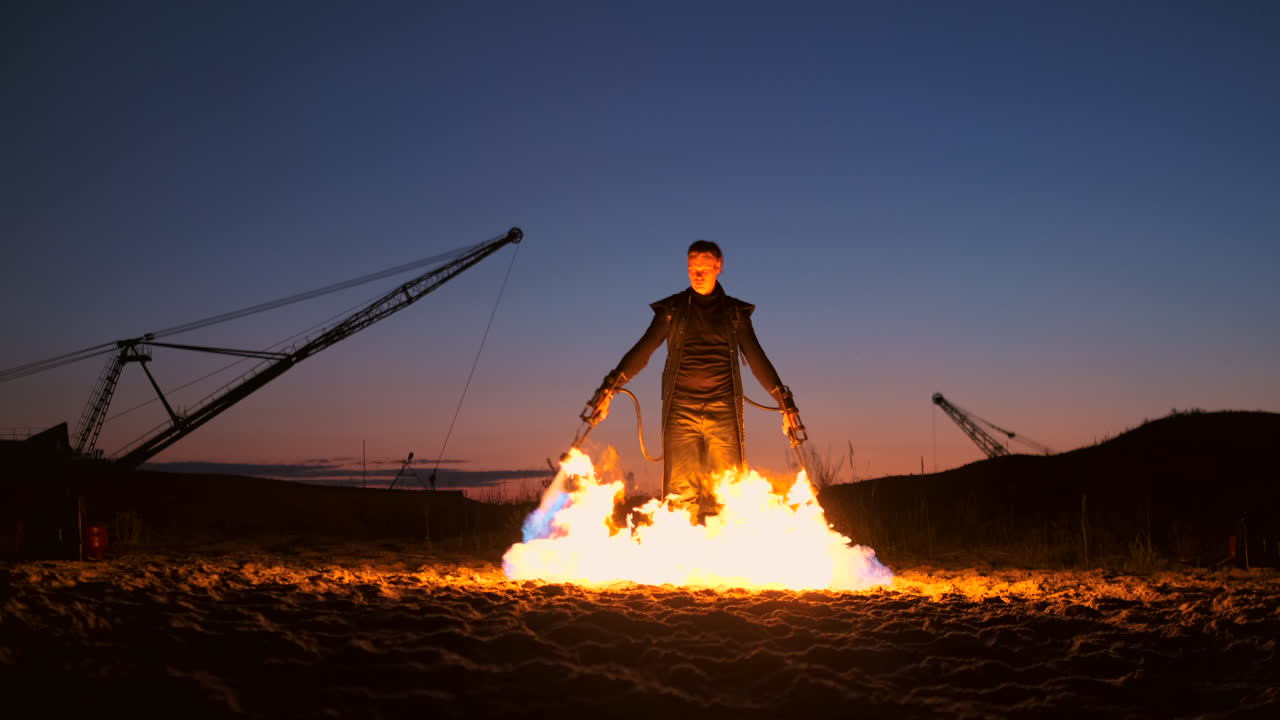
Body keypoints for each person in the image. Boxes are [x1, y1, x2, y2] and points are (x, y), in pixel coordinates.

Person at [583, 240, 804, 522]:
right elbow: (642, 351)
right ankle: (681, 556)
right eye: (692, 269)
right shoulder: (672, 310)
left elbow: (758, 359)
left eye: (703, 268)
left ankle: (723, 556)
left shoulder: (735, 313)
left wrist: (785, 403)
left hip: (723, 411)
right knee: (680, 493)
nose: (697, 274)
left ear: (718, 267)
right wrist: (609, 389)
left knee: (726, 491)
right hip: (681, 411)